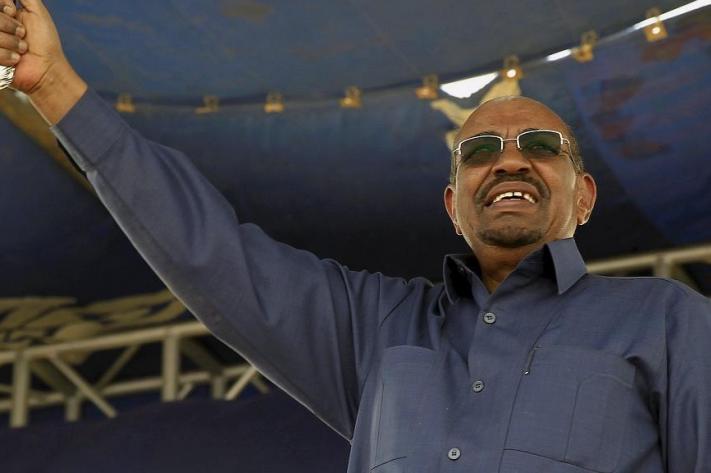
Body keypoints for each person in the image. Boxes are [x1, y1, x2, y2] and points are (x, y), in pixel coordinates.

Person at [3, 1, 711, 472]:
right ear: (452, 205)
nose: (509, 160)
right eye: (478, 150)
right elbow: (206, 250)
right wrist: (55, 84)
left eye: (540, 145)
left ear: (583, 196)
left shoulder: (665, 319)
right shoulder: (376, 326)